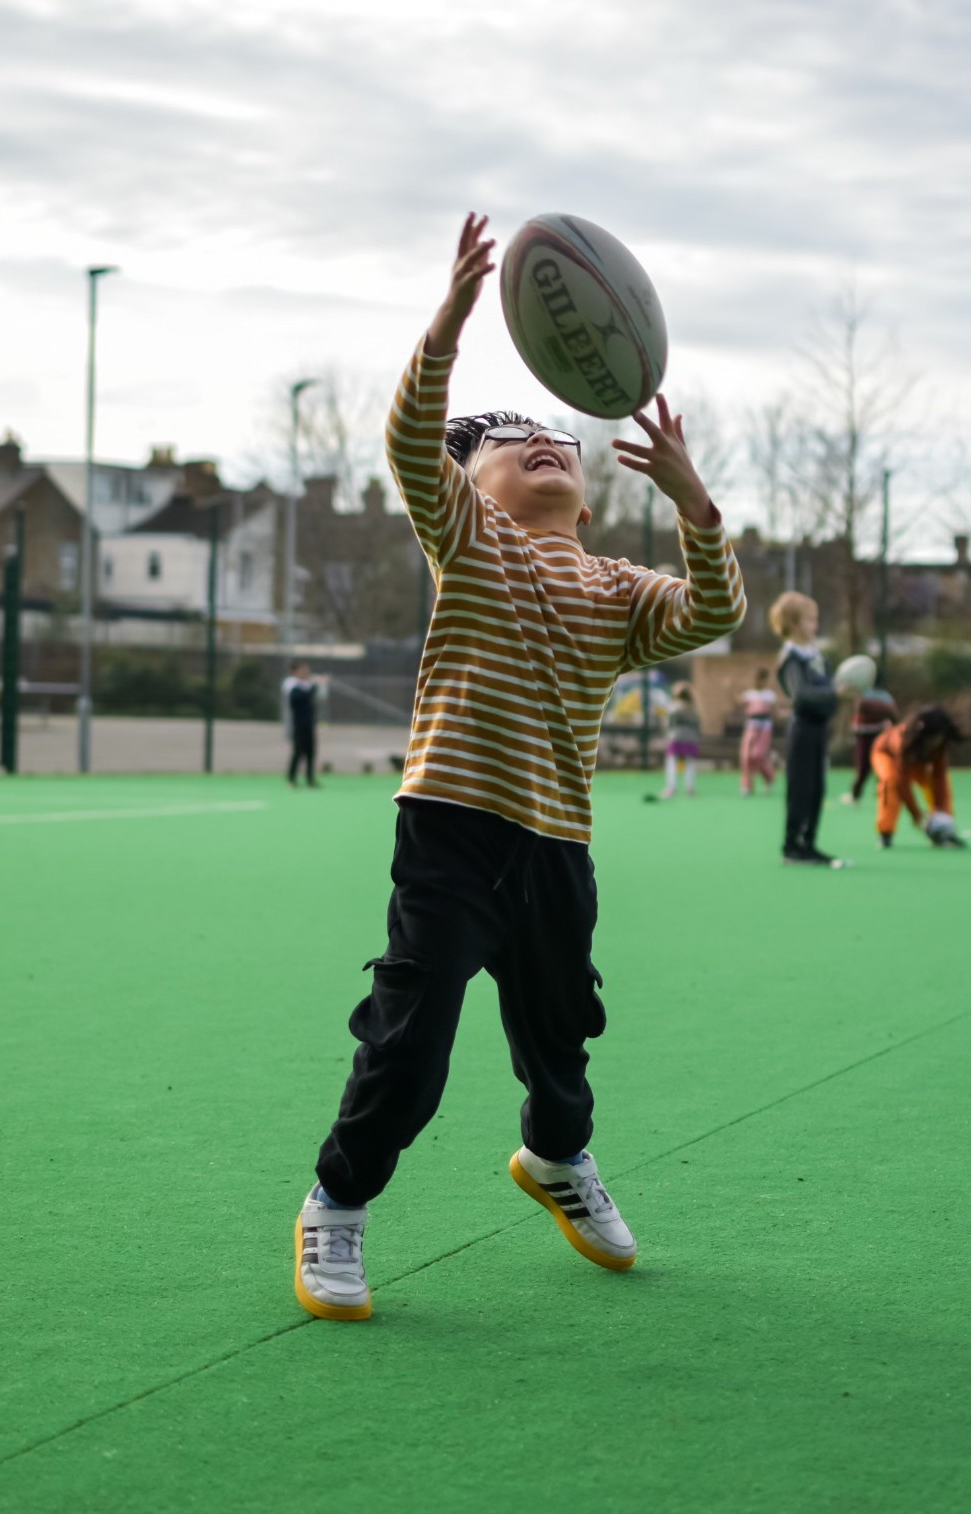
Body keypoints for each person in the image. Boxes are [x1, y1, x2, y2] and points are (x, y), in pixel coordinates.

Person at [295, 214, 746, 1320]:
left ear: (588, 494)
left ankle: (554, 1161)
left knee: (561, 1043)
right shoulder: (468, 540)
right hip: (450, 831)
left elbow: (713, 608)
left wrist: (695, 508)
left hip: (556, 848)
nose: (538, 439)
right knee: (411, 1048)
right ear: (471, 488)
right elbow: (408, 443)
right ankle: (336, 1204)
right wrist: (447, 324)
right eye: (504, 439)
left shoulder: (614, 586)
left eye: (553, 437)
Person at [769, 591, 851, 865]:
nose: (815, 625)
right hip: (802, 729)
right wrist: (834, 693)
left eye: (815, 619)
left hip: (818, 729)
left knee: (817, 788)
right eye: (809, 620)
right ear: (792, 623)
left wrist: (841, 695)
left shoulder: (818, 656)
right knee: (801, 788)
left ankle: (809, 843)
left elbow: (828, 693)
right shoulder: (792, 658)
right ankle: (791, 845)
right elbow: (801, 695)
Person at [871, 706, 967, 847]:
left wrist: (940, 811)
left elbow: (938, 778)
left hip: (917, 761)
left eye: (940, 737)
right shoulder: (902, 741)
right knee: (889, 782)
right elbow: (901, 783)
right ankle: (885, 833)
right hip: (887, 755)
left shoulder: (940, 745)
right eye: (933, 738)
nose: (937, 741)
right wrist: (916, 814)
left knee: (941, 784)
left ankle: (945, 831)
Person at [841, 685, 898, 804]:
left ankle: (879, 796)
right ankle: (861, 795)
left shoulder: (865, 698)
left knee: (874, 769)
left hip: (875, 737)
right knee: (866, 769)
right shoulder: (880, 697)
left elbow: (892, 717)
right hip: (871, 736)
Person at [737, 666, 777, 796]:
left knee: (758, 754)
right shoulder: (749, 694)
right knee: (747, 756)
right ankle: (747, 786)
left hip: (764, 727)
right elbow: (739, 705)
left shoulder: (769, 695)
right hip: (751, 726)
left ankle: (769, 777)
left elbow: (775, 711)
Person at [660, 682, 702, 796]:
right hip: (691, 738)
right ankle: (690, 788)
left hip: (676, 737)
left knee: (672, 761)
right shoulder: (693, 709)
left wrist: (666, 735)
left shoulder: (673, 707)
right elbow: (697, 725)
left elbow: (667, 723)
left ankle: (671, 787)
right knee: (689, 762)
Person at [282, 661, 319, 787]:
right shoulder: (291, 684)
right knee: (298, 752)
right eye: (302, 670)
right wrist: (313, 686)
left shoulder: (306, 685)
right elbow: (299, 697)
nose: (305, 673)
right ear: (295, 672)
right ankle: (291, 779)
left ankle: (310, 779)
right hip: (298, 724)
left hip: (309, 723)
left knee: (311, 752)